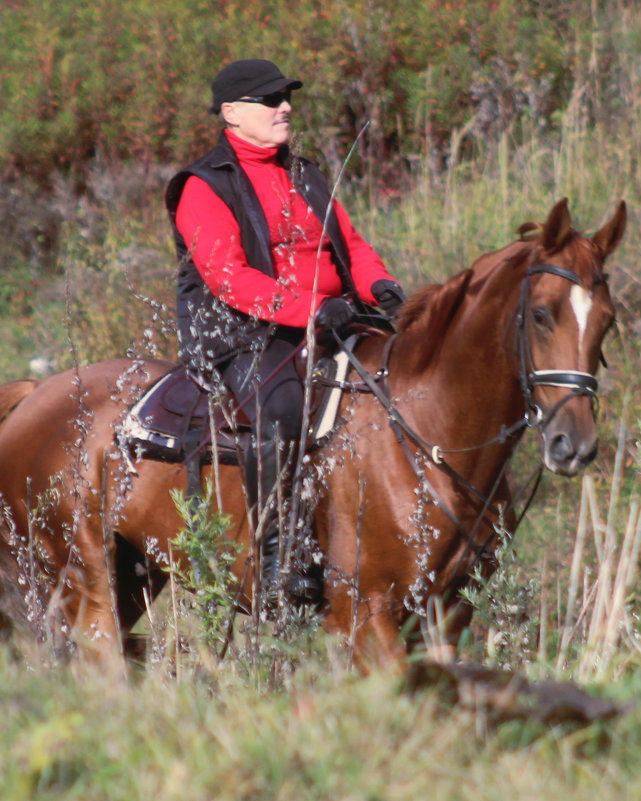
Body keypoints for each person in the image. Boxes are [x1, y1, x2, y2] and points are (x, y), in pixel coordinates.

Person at [165, 58, 406, 605]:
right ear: (231, 113)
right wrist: (311, 309)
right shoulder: (203, 186)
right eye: (269, 99)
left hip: (327, 320)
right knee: (281, 407)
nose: (285, 106)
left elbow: (350, 243)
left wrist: (378, 285)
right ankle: (281, 556)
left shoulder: (306, 173)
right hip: (243, 334)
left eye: (286, 96)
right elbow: (229, 278)